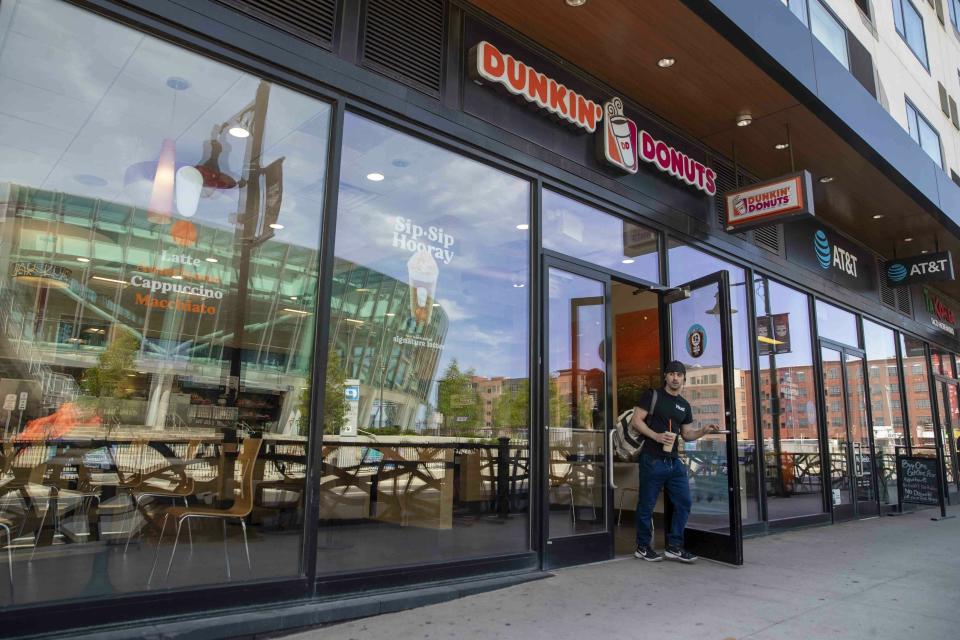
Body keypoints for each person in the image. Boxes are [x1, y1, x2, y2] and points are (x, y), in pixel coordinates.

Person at [630, 360, 720, 563]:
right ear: (665, 376)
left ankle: (674, 546)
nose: (675, 378)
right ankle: (642, 547)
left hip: (674, 462)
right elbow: (637, 421)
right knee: (647, 504)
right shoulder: (652, 396)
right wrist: (656, 436)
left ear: (684, 380)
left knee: (684, 502)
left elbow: (687, 434)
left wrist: (703, 431)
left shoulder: (684, 405)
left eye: (679, 375)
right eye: (671, 374)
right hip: (652, 459)